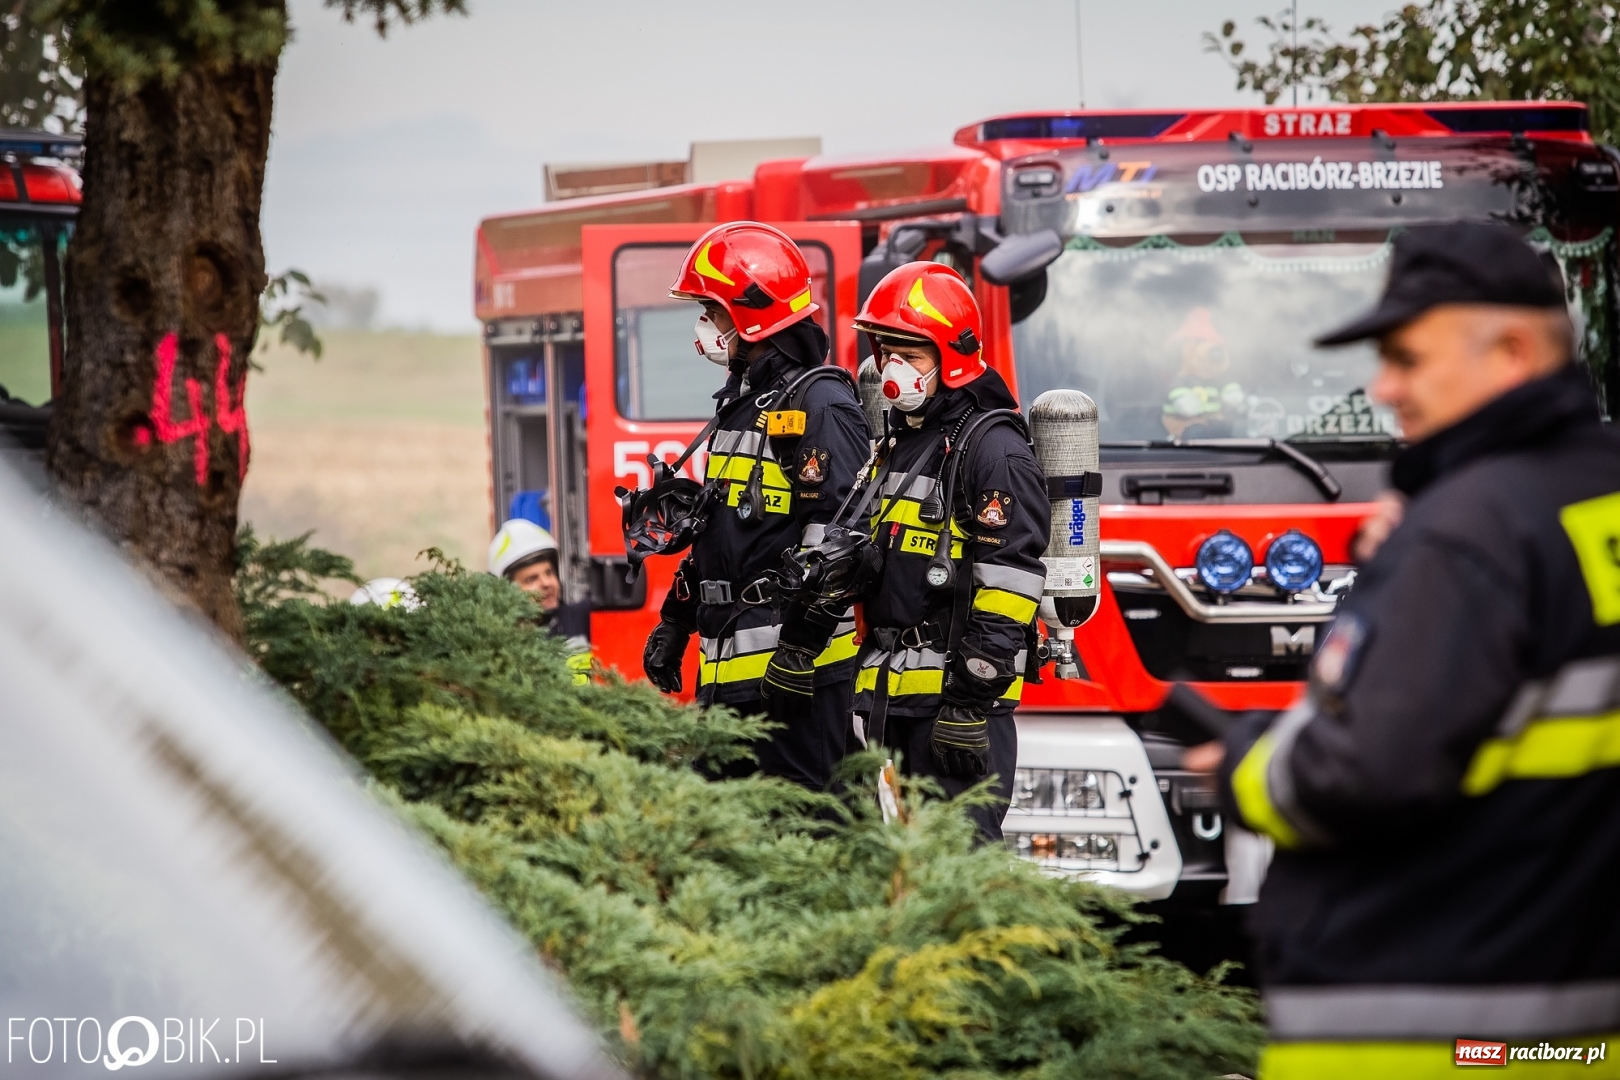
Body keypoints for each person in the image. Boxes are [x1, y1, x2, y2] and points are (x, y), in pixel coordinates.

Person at [1185, 223, 1620, 1076]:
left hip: (1432, 1040)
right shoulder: (1591, 497)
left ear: (1512, 351)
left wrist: (1246, 767)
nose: (1385, 389)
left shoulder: (1473, 534)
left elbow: (1367, 769)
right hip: (1562, 1034)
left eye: (1409, 359)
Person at [639, 221, 870, 790]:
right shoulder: (742, 407)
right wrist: (676, 621)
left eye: (711, 312)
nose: (704, 328)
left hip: (796, 681)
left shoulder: (821, 404)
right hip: (729, 680)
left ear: (752, 314)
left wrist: (797, 652)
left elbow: (842, 544)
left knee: (811, 836)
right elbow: (726, 536)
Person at [844, 262, 1049, 841]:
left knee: (960, 879)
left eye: (912, 353)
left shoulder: (993, 449)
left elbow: (1010, 582)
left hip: (957, 714)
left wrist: (970, 700)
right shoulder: (902, 442)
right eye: (887, 351)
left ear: (951, 355)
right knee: (902, 880)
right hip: (894, 705)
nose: (893, 369)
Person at [489, 517, 592, 683]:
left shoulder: (583, 619)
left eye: (549, 573)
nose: (546, 583)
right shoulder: (501, 647)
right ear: (506, 591)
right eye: (531, 579)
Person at [1162, 307, 1244, 439]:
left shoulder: (1218, 381)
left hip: (1217, 432)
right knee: (1195, 432)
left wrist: (1231, 395)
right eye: (1200, 342)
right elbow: (1181, 400)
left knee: (1224, 428)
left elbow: (1229, 390)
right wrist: (1185, 401)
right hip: (1185, 430)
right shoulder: (1182, 382)